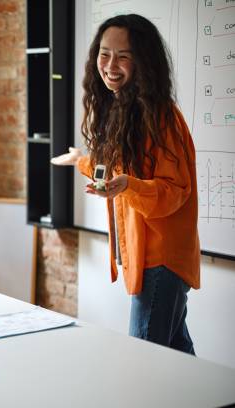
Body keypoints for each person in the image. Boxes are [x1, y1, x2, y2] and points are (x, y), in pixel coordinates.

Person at [51, 14, 199, 354]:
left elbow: (174, 191)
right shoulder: (125, 109)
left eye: (123, 56)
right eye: (104, 54)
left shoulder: (161, 116)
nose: (110, 65)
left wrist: (128, 186)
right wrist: (82, 160)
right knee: (178, 358)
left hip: (161, 259)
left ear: (142, 61)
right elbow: (118, 172)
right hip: (147, 258)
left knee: (144, 359)